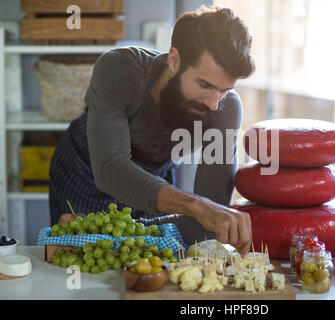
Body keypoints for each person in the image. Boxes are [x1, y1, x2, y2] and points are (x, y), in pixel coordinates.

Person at [49, 5, 255, 257]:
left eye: (224, 90)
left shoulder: (226, 108)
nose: (214, 103)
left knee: (140, 263)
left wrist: (109, 234)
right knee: (77, 262)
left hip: (156, 181)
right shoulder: (118, 68)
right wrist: (198, 206)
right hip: (85, 171)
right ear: (174, 59)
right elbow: (111, 169)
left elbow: (207, 223)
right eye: (204, 84)